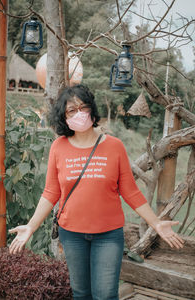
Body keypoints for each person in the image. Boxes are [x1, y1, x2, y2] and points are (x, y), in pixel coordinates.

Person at [9, 84, 184, 300]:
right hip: (71, 234)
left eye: (83, 107)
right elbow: (51, 192)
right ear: (64, 116)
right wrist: (31, 226)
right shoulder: (59, 147)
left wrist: (156, 223)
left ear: (92, 109)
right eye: (71, 110)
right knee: (81, 293)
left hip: (108, 235)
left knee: (105, 294)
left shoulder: (115, 146)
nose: (79, 114)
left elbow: (130, 192)